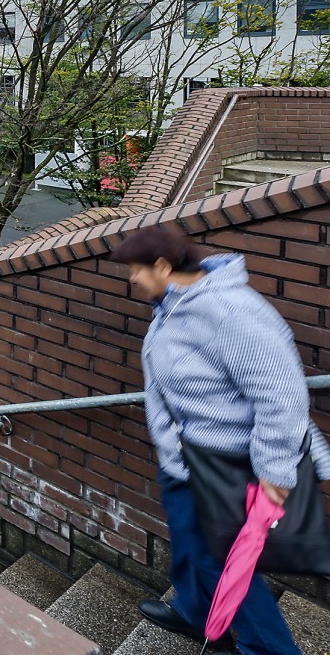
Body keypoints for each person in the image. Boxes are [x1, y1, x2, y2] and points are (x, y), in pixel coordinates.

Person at [110, 226, 330, 655]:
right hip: (186, 458)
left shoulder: (230, 311)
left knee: (222, 565)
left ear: (161, 266)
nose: (131, 279)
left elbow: (281, 394)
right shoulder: (172, 305)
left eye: (135, 270)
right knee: (189, 543)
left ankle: (268, 649)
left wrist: (274, 470)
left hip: (229, 464)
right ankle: (197, 613)